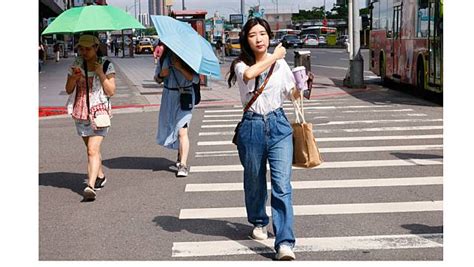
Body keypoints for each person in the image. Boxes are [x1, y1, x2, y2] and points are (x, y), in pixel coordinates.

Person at [227, 17, 300, 260]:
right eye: (253, 35)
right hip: (252, 126)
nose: (259, 38)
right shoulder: (240, 64)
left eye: (262, 34)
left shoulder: (281, 66)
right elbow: (250, 74)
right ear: (246, 40)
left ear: (269, 36)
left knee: (281, 185)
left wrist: (301, 87)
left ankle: (285, 243)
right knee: (254, 180)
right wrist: (275, 56)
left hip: (279, 124)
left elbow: (292, 94)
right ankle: (259, 220)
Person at [65, 35, 116, 201]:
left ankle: (90, 186)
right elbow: (68, 90)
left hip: (99, 112)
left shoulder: (106, 65)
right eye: (81, 48)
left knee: (92, 150)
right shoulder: (76, 65)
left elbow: (110, 91)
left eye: (88, 48)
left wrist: (100, 72)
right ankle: (100, 175)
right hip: (80, 112)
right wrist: (73, 78)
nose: (84, 52)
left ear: (96, 47)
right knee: (92, 150)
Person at [155, 45, 199, 177]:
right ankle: (180, 154)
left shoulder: (190, 59)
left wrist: (179, 66)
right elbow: (157, 79)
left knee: (182, 130)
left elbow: (196, 79)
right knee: (172, 127)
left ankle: (183, 165)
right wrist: (161, 75)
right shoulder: (164, 59)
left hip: (185, 96)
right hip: (169, 97)